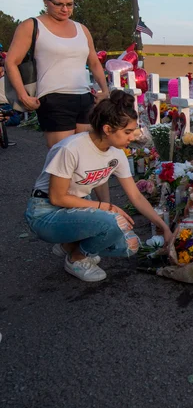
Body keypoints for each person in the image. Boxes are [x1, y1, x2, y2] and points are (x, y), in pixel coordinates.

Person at [25, 91, 173, 282]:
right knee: (115, 221)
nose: (132, 137)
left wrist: (164, 227)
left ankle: (69, 246)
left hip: (78, 208)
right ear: (107, 129)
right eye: (127, 132)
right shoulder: (71, 148)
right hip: (45, 211)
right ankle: (76, 259)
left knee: (131, 245)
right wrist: (107, 209)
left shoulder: (116, 153)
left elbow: (136, 197)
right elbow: (57, 198)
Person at [4, 0, 110, 150]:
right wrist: (23, 96)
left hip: (84, 98)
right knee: (61, 160)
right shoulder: (31, 26)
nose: (65, 9)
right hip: (53, 99)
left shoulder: (81, 29)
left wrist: (105, 91)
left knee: (85, 159)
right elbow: (11, 62)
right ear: (45, 1)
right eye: (58, 4)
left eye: (70, 4)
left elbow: (94, 63)